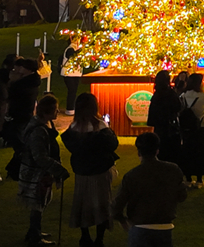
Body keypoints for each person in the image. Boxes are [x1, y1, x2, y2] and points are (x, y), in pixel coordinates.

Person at [61, 93, 119, 247]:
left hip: (82, 171)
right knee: (102, 204)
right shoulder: (100, 129)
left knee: (82, 203)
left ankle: (85, 236)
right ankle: (99, 239)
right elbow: (113, 144)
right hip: (100, 171)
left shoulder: (73, 130)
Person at [111, 132, 189, 247]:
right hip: (165, 227)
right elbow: (182, 196)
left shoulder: (132, 175)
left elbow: (117, 205)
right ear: (157, 150)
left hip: (139, 227)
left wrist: (122, 220)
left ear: (139, 152)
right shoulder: (173, 170)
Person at [18, 95, 70, 247]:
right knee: (37, 203)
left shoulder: (45, 124)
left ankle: (34, 231)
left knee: (41, 202)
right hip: (36, 173)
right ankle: (35, 235)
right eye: (55, 109)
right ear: (47, 111)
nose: (57, 112)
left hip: (40, 173)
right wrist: (58, 169)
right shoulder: (38, 130)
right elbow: (40, 156)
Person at [179, 73, 204, 187]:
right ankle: (199, 179)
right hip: (201, 126)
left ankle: (188, 178)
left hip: (186, 127)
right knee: (201, 152)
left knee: (187, 151)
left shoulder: (183, 96)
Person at [147, 70, 182, 164]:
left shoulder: (156, 95)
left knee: (160, 151)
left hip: (159, 127)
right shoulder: (171, 94)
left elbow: (152, 113)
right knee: (172, 153)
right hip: (170, 127)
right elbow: (178, 107)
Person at [60, 38, 83, 116]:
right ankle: (70, 108)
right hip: (68, 73)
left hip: (76, 73)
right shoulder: (70, 49)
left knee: (74, 91)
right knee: (72, 91)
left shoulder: (77, 48)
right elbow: (73, 55)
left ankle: (72, 107)